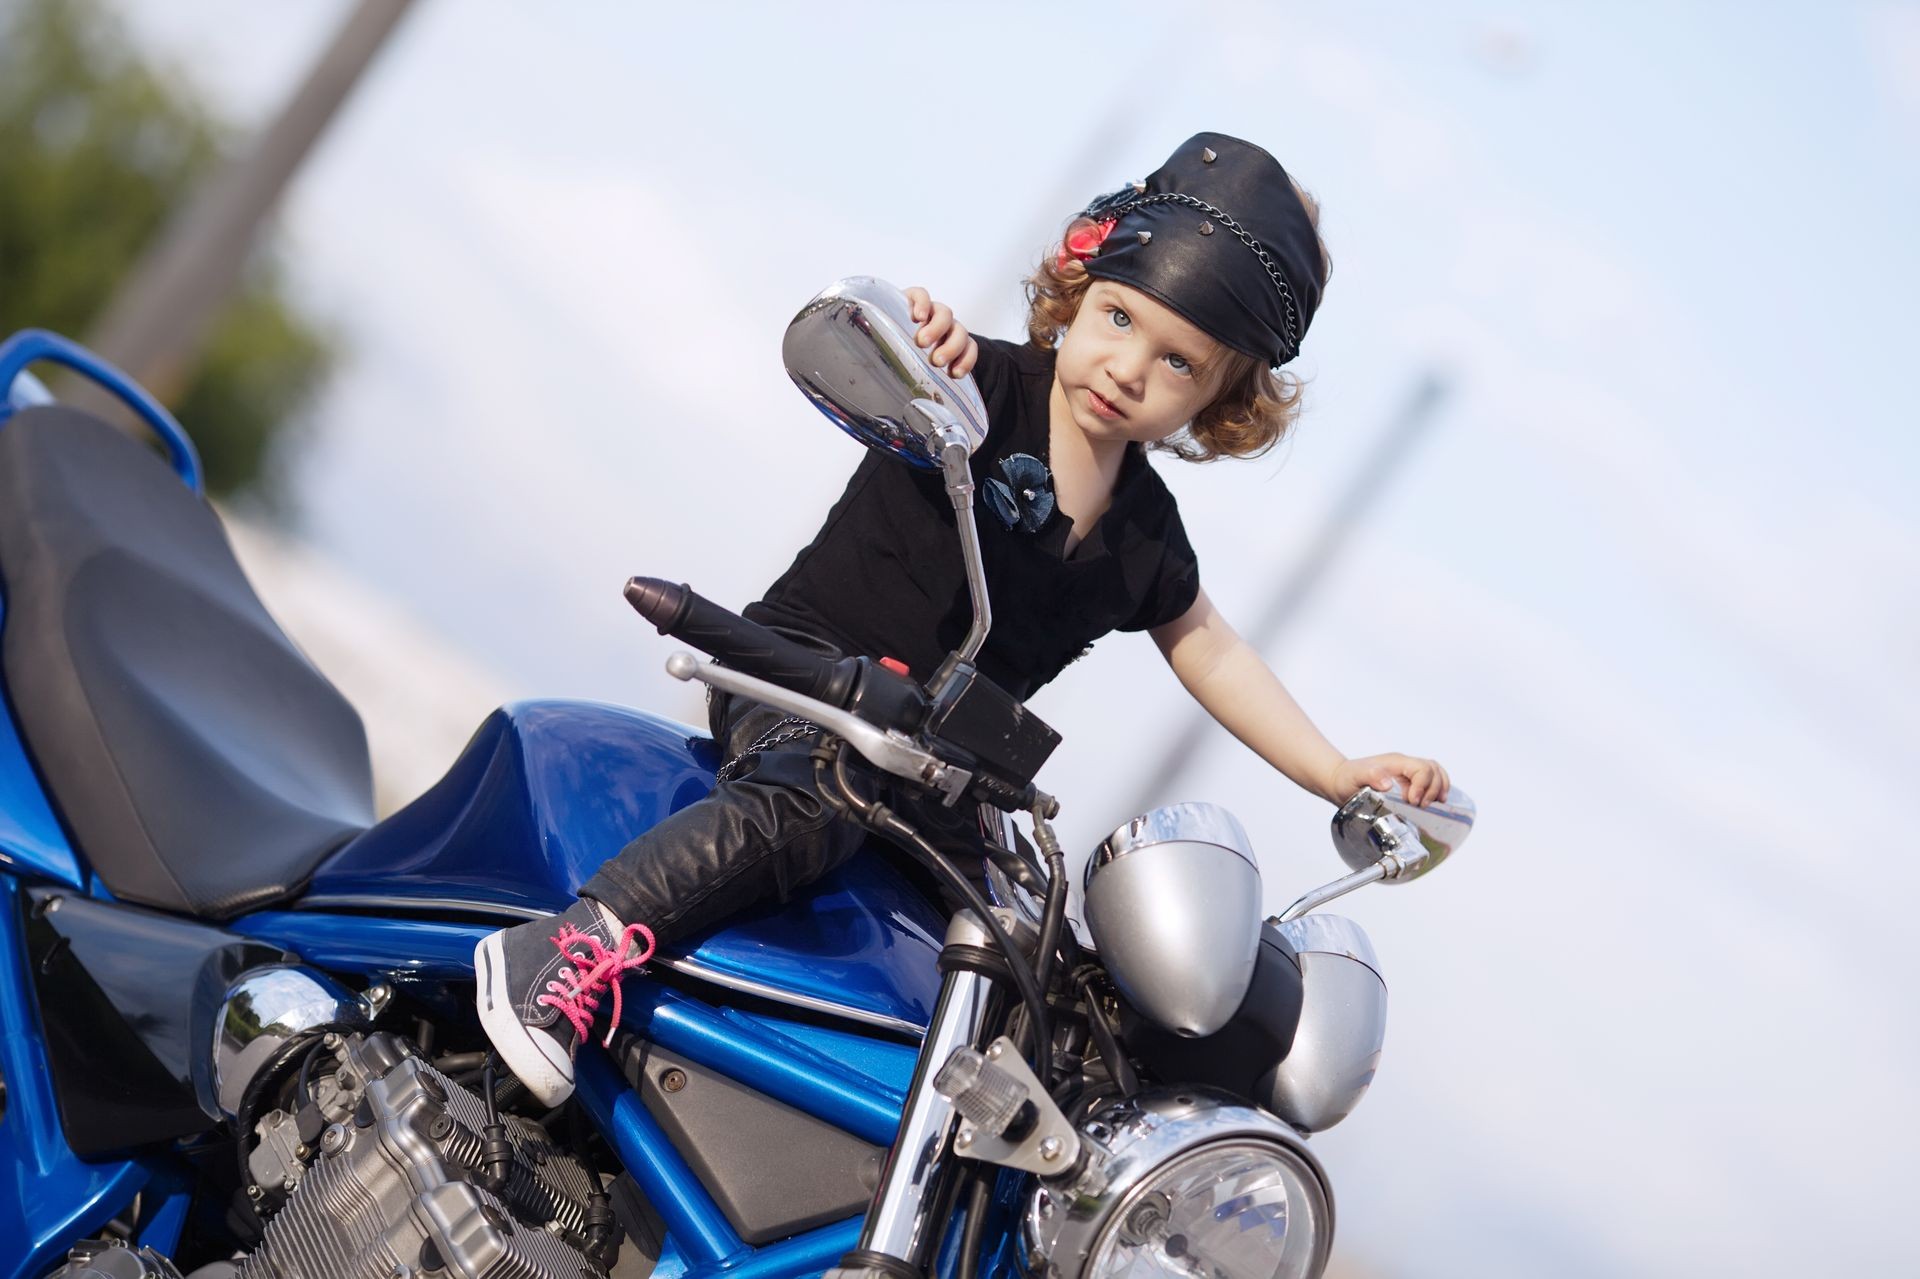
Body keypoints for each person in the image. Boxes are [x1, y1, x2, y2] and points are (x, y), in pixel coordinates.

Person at [474, 132, 1451, 1106]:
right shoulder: (973, 387)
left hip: (941, 773)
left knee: (1040, 963)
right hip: (807, 680)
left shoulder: (1145, 535)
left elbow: (1210, 648)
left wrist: (1337, 772)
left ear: (1222, 397)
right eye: (1118, 318)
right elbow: (898, 343)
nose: (1129, 367)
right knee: (821, 793)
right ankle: (566, 948)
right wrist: (921, 332)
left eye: (1179, 363)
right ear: (1081, 287)